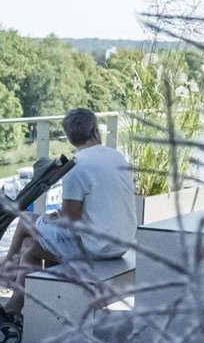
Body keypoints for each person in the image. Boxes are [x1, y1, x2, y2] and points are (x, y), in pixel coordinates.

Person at [12, 108, 140, 269]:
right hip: (123, 245)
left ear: (70, 138)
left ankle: (5, 267)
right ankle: (17, 283)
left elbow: (70, 220)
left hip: (97, 250)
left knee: (25, 219)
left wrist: (59, 215)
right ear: (96, 131)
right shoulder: (117, 156)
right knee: (30, 246)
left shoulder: (75, 166)